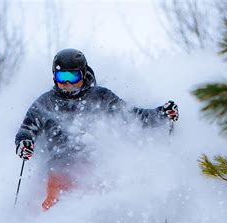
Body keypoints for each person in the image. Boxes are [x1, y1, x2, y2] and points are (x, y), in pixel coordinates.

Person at [15, 48, 179, 211]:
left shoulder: (100, 97)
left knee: (97, 203)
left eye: (73, 76)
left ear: (83, 74)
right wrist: (24, 142)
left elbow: (133, 117)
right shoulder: (46, 103)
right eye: (61, 76)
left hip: (94, 164)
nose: (67, 83)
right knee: (55, 203)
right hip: (60, 166)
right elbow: (27, 128)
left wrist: (161, 114)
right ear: (54, 77)